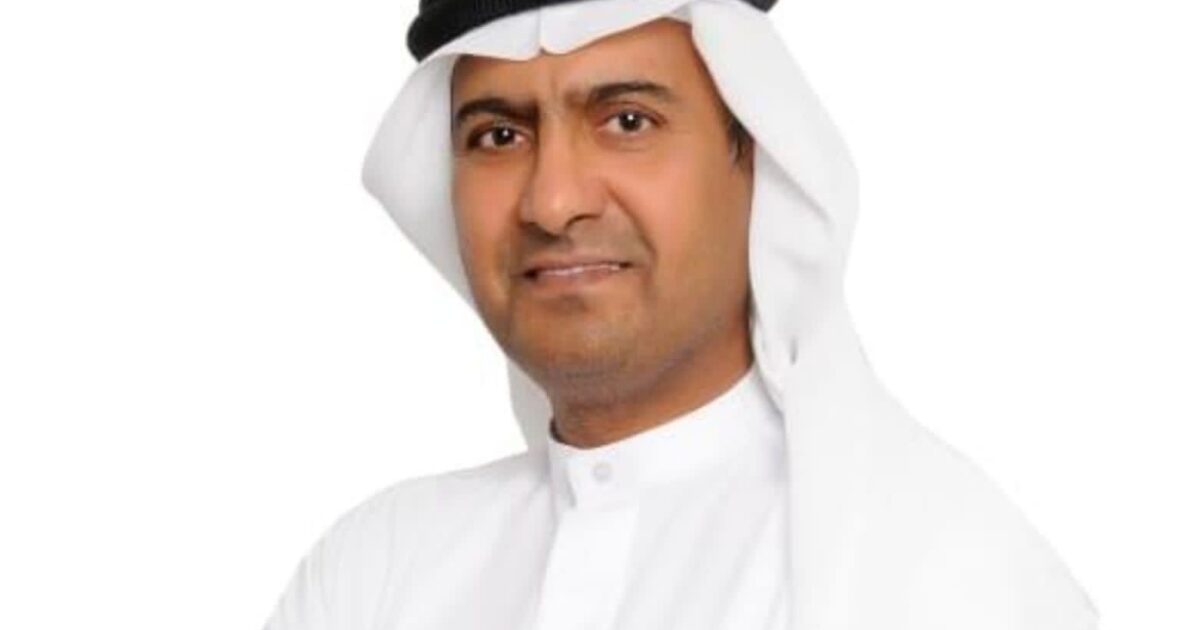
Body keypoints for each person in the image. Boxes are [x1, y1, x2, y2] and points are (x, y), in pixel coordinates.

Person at [265, 0, 1099, 628]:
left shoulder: (943, 573)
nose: (552, 201)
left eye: (628, 121)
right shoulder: (377, 573)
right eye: (498, 136)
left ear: (756, 159)